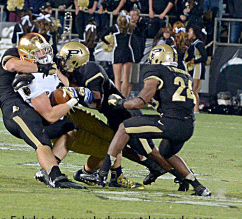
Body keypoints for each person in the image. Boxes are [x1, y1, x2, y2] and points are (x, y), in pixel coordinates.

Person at [56, 42, 188, 190]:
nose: (61, 63)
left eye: (64, 59)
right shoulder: (74, 74)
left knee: (151, 152)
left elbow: (96, 100)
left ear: (75, 59)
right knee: (118, 147)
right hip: (113, 115)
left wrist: (73, 89)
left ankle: (183, 177)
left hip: (126, 114)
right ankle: (118, 177)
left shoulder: (90, 69)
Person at [93, 44, 211, 196]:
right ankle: (199, 187)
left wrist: (119, 102)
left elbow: (139, 102)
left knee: (125, 127)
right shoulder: (184, 74)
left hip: (170, 123)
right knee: (166, 153)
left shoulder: (156, 70)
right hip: (188, 126)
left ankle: (102, 174)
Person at [0, 32, 86, 189]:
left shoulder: (48, 65)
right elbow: (13, 65)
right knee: (41, 140)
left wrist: (73, 92)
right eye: (38, 52)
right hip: (16, 108)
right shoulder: (14, 55)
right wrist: (42, 68)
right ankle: (55, 177)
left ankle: (47, 169)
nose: (43, 54)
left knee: (70, 129)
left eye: (44, 50)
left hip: (36, 108)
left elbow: (65, 84)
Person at [101, 10, 134, 97]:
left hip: (118, 52)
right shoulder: (130, 27)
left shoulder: (114, 28)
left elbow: (102, 36)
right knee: (126, 79)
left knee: (117, 79)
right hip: (128, 52)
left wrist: (109, 43)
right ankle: (124, 98)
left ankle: (117, 98)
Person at [185, 25, 207, 113]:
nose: (188, 33)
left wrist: (195, 61)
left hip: (198, 68)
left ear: (194, 34)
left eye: (190, 32)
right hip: (193, 68)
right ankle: (193, 109)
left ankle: (196, 109)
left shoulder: (199, 44)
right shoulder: (192, 43)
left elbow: (204, 57)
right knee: (191, 89)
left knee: (194, 90)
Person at [128, 8, 147, 97]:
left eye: (134, 15)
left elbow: (141, 33)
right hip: (126, 57)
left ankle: (127, 97)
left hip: (136, 57)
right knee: (125, 79)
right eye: (130, 15)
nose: (132, 17)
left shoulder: (141, 28)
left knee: (133, 80)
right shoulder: (125, 28)